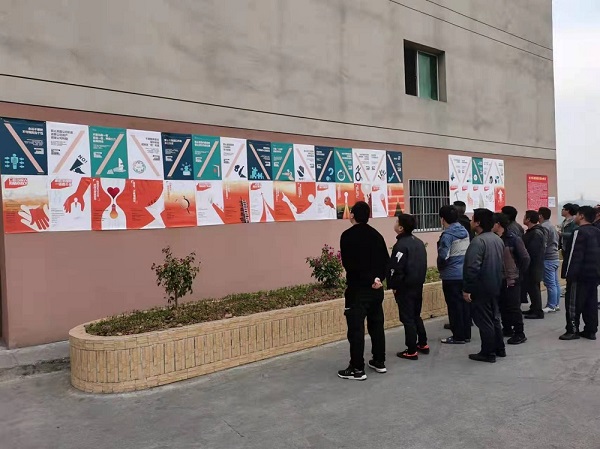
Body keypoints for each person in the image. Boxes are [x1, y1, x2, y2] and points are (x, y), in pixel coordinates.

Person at [338, 201, 390, 380]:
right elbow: (385, 261)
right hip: (376, 289)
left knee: (356, 330)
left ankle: (357, 368)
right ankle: (379, 361)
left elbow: (349, 264)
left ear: (352, 215)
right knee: (377, 326)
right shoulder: (377, 235)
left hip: (357, 290)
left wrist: (369, 279)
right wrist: (378, 279)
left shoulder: (347, 236)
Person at [463, 208, 505, 363]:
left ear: (478, 222)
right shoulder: (497, 239)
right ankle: (499, 348)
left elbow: (472, 268)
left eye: (473, 218)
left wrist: (467, 289)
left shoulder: (478, 242)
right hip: (495, 284)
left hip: (481, 287)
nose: (471, 221)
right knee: (494, 318)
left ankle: (488, 352)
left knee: (484, 320)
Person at [387, 213, 428, 360]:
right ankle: (422, 343)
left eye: (396, 221)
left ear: (401, 228)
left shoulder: (401, 246)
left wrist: (394, 285)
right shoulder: (419, 243)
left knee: (407, 318)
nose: (395, 223)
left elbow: (396, 268)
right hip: (418, 285)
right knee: (416, 315)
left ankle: (411, 350)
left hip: (405, 287)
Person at [560, 206, 600, 340]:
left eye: (577, 214)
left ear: (582, 216)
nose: (575, 217)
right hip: (593, 274)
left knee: (573, 303)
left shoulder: (579, 232)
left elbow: (572, 255)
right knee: (591, 303)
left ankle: (572, 330)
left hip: (579, 275)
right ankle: (591, 330)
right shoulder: (597, 231)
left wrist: (568, 274)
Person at [493, 213, 530, 344]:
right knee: (503, 305)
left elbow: (525, 258)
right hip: (499, 278)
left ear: (498, 224)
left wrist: (518, 272)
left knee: (514, 307)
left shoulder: (513, 239)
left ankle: (519, 333)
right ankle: (507, 328)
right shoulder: (495, 239)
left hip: (512, 278)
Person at [437, 205, 471, 344]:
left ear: (442, 219)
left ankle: (458, 336)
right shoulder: (464, 231)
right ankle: (466, 334)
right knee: (464, 305)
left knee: (454, 307)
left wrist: (441, 268)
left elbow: (443, 256)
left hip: (451, 275)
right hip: (464, 273)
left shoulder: (448, 235)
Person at [522, 210, 547, 319]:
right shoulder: (533, 231)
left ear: (528, 219)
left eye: (525, 217)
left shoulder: (536, 233)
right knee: (532, 287)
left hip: (533, 265)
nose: (523, 218)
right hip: (534, 264)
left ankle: (537, 311)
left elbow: (533, 251)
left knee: (533, 288)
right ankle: (534, 308)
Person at [538, 207, 561, 313]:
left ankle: (551, 305)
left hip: (548, 258)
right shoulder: (551, 226)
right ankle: (556, 304)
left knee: (550, 283)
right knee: (555, 283)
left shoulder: (544, 227)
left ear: (540, 216)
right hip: (555, 257)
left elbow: (544, 244)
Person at [559, 203, 579, 300]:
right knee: (566, 268)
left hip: (569, 247)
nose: (562, 211)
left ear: (568, 210)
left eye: (563, 209)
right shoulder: (564, 221)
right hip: (564, 247)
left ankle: (570, 289)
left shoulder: (573, 221)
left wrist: (561, 234)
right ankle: (568, 288)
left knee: (569, 268)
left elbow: (573, 234)